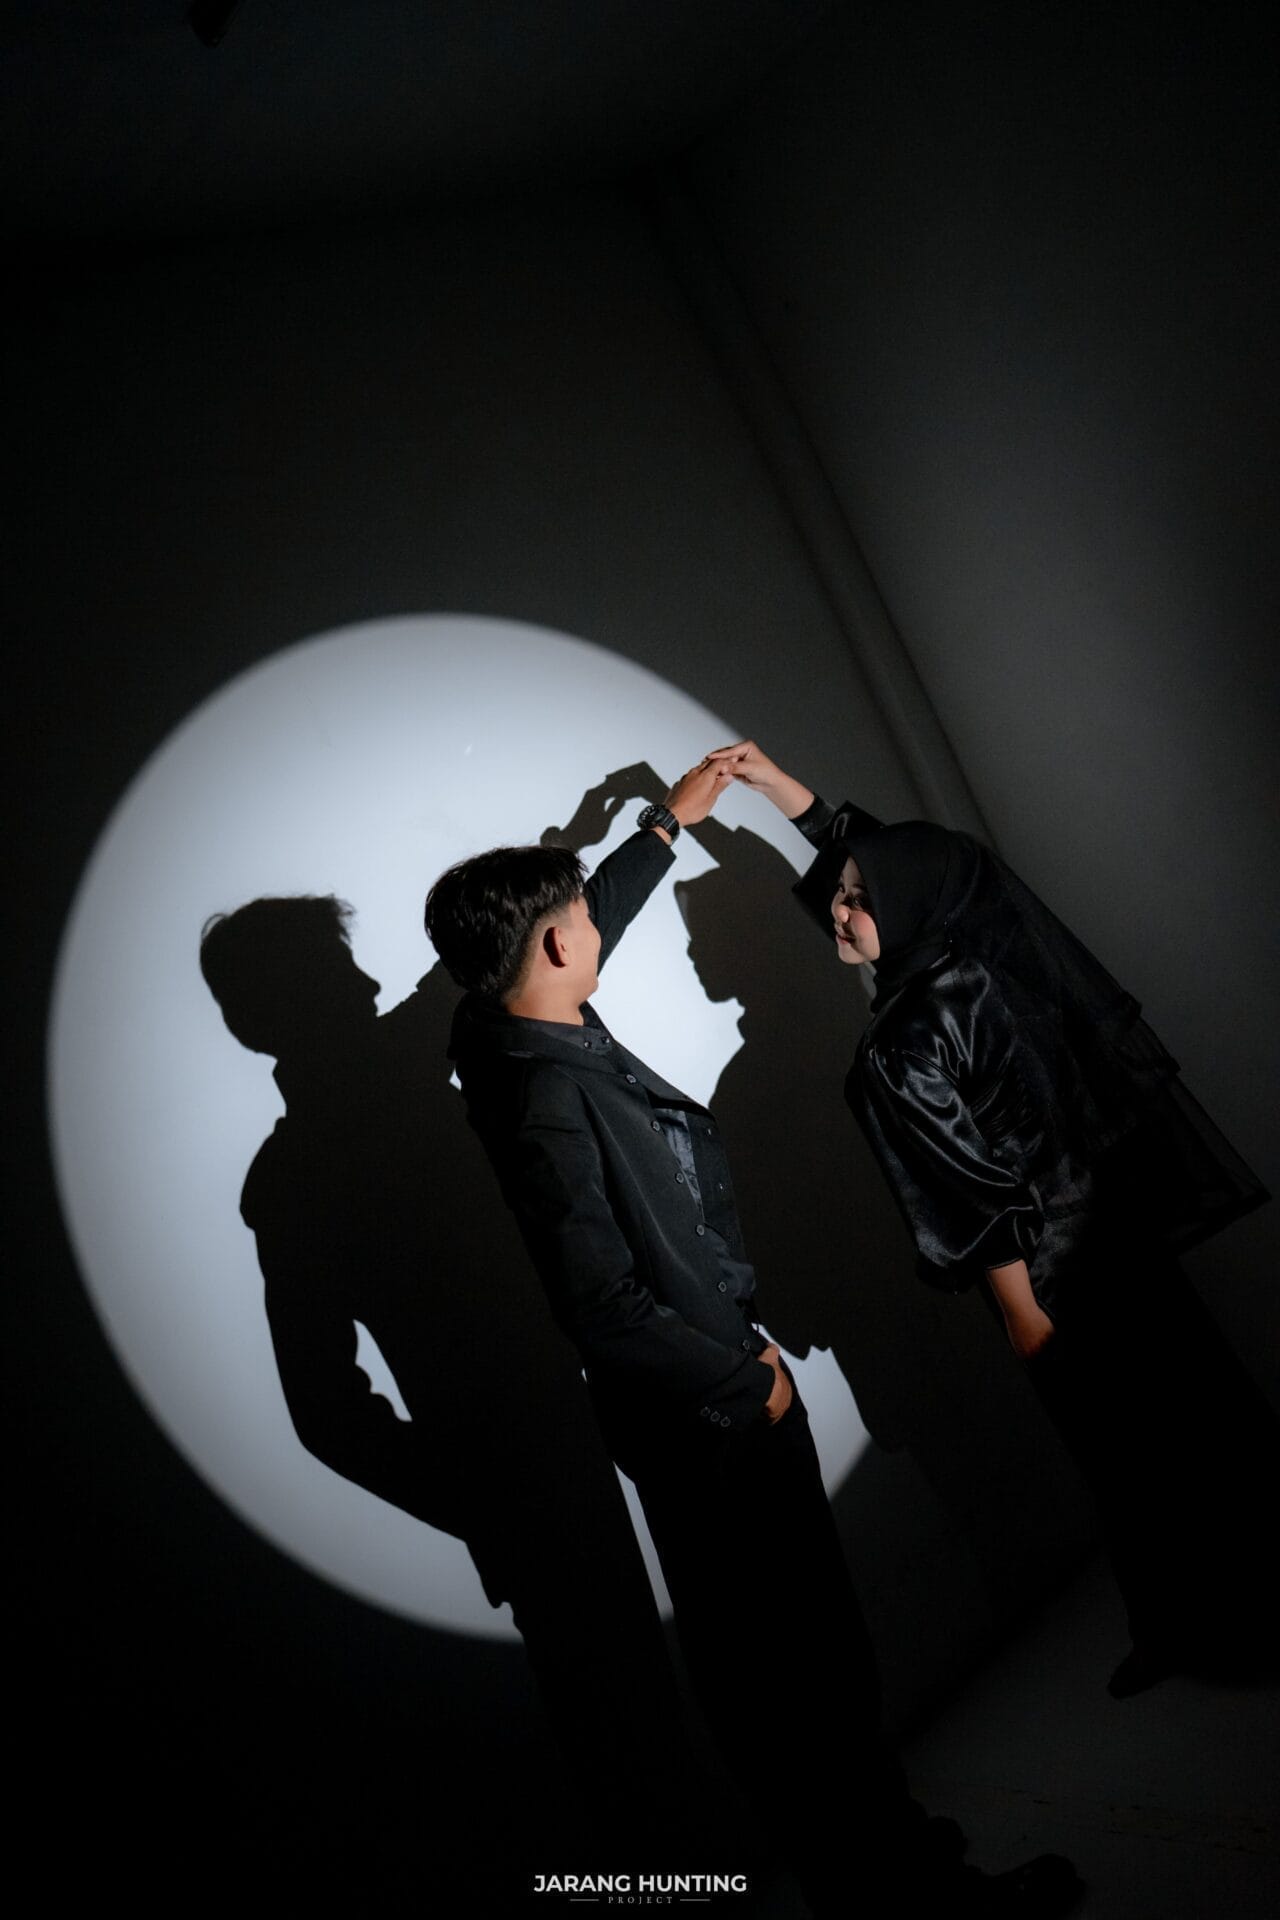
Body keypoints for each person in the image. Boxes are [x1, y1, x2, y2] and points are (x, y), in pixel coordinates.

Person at [424, 760, 1081, 1916]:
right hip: (710, 1418)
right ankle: (913, 1897)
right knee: (801, 1678)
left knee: (791, 1675)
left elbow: (575, 924)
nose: (596, 929)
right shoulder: (545, 1103)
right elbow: (600, 1308)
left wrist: (659, 829)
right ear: (556, 948)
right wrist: (746, 1379)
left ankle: (886, 1872)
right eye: (580, 921)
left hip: (702, 1407)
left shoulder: (497, 1027)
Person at [706, 739, 1277, 1699]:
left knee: (1131, 1458)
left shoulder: (901, 1043)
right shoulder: (986, 950)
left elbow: (970, 1194)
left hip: (1053, 1279)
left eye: (858, 900)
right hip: (1120, 1239)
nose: (839, 909)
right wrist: (779, 790)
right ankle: (1195, 1615)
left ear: (906, 906)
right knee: (1199, 1413)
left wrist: (1020, 1313)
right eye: (840, 893)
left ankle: (1209, 1630)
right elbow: (912, 862)